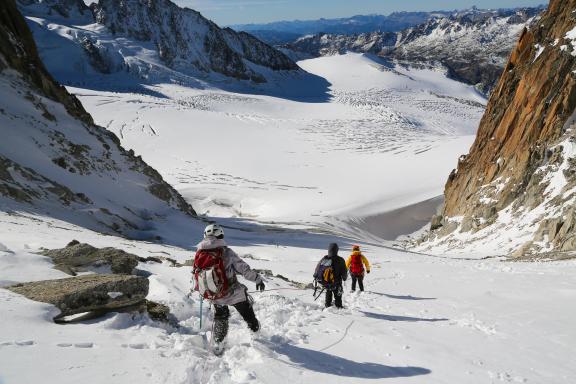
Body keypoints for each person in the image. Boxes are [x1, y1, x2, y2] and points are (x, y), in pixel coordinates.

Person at [194, 224, 265, 346]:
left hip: (214, 293)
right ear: (220, 235)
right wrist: (258, 280)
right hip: (233, 292)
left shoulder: (200, 253)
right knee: (247, 312)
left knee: (221, 316)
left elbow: (197, 274)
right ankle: (256, 335)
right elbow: (244, 270)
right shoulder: (226, 252)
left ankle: (219, 342)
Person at [314, 243, 347, 308]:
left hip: (326, 281)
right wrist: (344, 278)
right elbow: (344, 271)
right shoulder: (340, 259)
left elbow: (317, 268)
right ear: (337, 250)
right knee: (338, 294)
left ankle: (327, 305)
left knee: (328, 291)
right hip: (337, 282)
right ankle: (338, 306)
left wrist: (316, 276)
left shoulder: (324, 258)